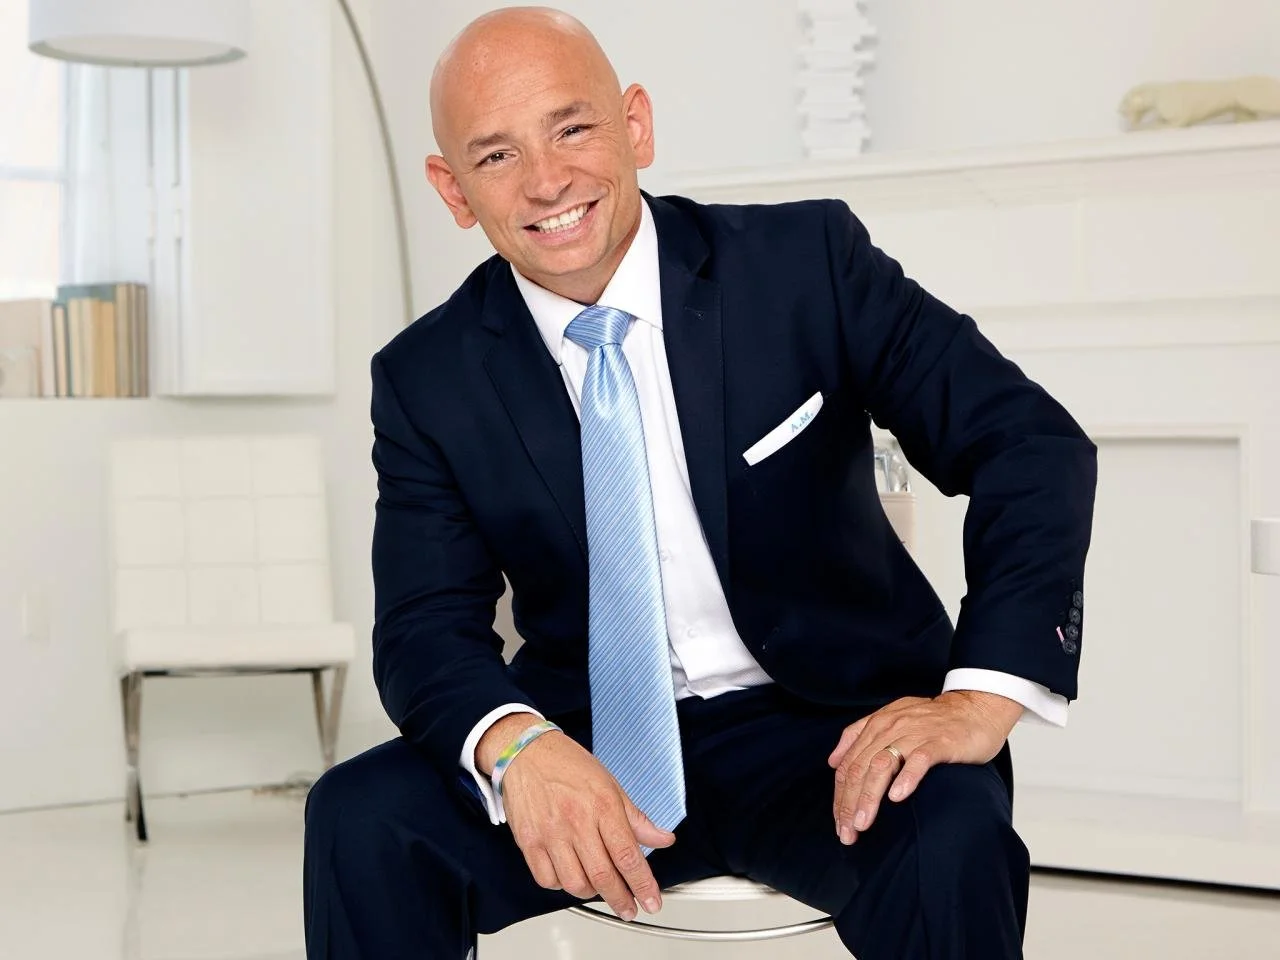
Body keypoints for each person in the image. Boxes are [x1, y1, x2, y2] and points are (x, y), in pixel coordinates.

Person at [302, 7, 1097, 959]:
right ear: (453, 190)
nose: (547, 181)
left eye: (572, 128)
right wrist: (518, 747)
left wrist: (979, 698)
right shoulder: (427, 378)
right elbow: (424, 624)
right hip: (584, 744)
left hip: (833, 728)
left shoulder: (805, 266)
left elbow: (1028, 443)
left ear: (635, 125)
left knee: (950, 838)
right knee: (361, 820)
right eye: (498, 155)